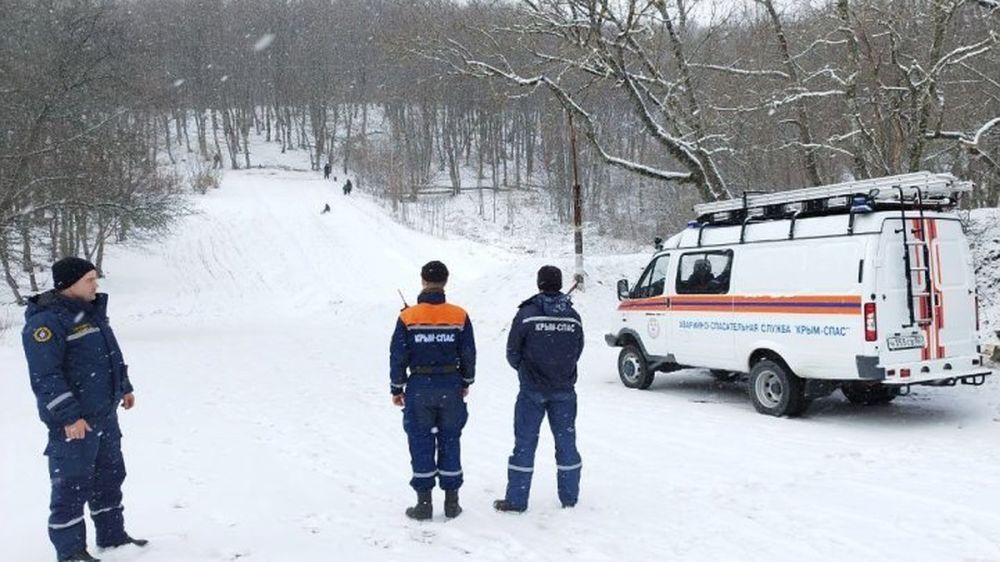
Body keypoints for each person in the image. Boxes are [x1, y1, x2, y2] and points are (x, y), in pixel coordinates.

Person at [22, 257, 147, 562]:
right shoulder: (46, 322)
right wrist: (69, 416)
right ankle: (71, 551)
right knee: (72, 486)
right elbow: (46, 376)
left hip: (104, 414)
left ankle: (112, 536)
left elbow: (108, 355)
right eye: (90, 280)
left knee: (110, 476)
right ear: (68, 285)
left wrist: (124, 386)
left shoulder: (89, 313)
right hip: (75, 423)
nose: (96, 285)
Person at [389, 261, 476, 520]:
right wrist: (466, 382)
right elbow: (468, 353)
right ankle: (452, 502)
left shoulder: (408, 317)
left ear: (423, 281)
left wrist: (397, 387)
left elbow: (397, 355)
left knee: (420, 441)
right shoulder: (459, 315)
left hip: (419, 387)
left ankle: (424, 503)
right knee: (450, 439)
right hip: (450, 384)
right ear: (446, 282)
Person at [494, 265, 584, 513]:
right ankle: (569, 497)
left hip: (531, 391)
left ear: (539, 283)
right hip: (564, 390)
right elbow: (578, 350)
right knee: (566, 443)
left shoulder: (526, 314)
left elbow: (513, 352)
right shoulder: (573, 316)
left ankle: (517, 499)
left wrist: (527, 371)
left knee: (524, 443)